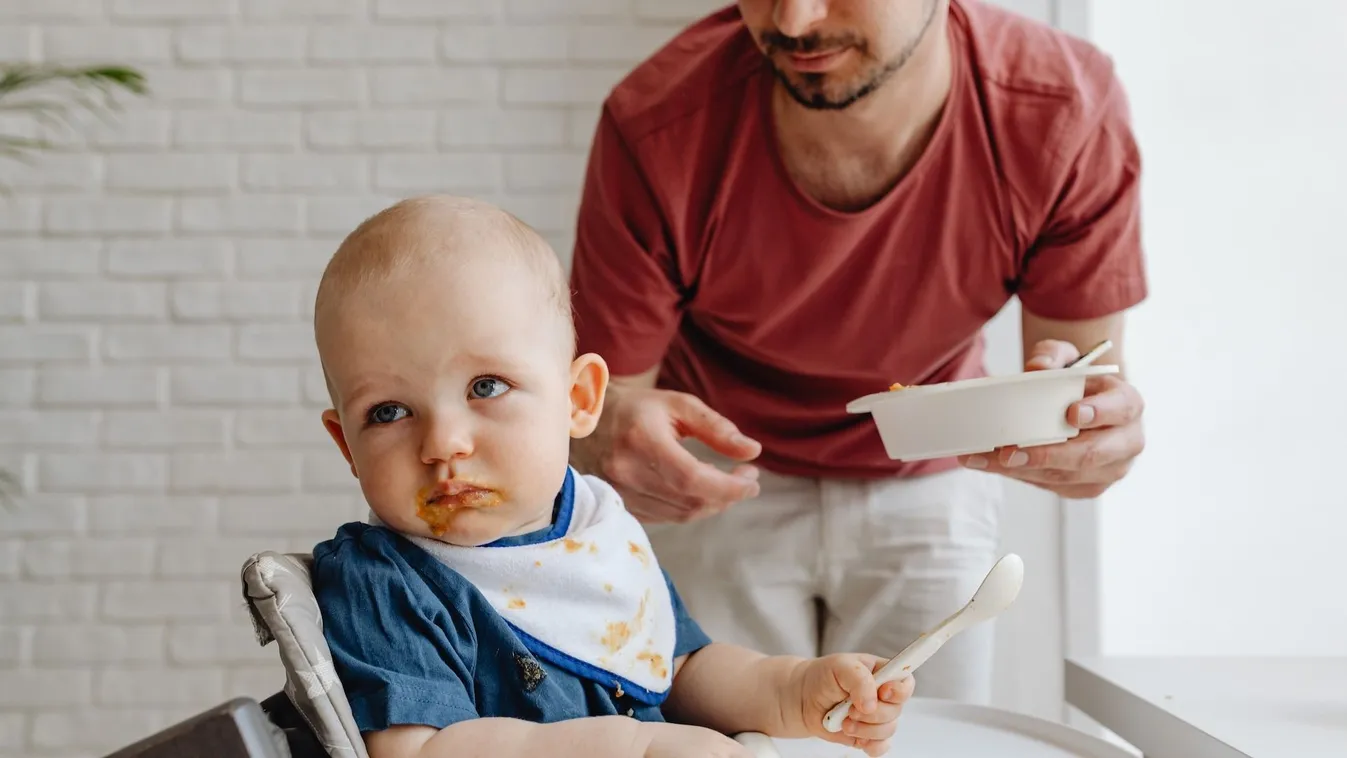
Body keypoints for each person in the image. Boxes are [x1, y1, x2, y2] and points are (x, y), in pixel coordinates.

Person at [567, 0, 1148, 705]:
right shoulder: (656, 121)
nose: (793, 20)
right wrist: (604, 438)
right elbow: (604, 405)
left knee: (931, 738)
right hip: (720, 472)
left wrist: (1089, 440)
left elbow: (1081, 385)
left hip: (930, 466)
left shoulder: (1061, 110)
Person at [306, 195, 916, 758]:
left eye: (485, 387)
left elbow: (678, 669)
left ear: (578, 400)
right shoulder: (384, 582)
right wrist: (634, 748)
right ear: (348, 446)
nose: (442, 444)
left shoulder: (596, 531)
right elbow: (420, 752)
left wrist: (791, 690)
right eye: (388, 412)